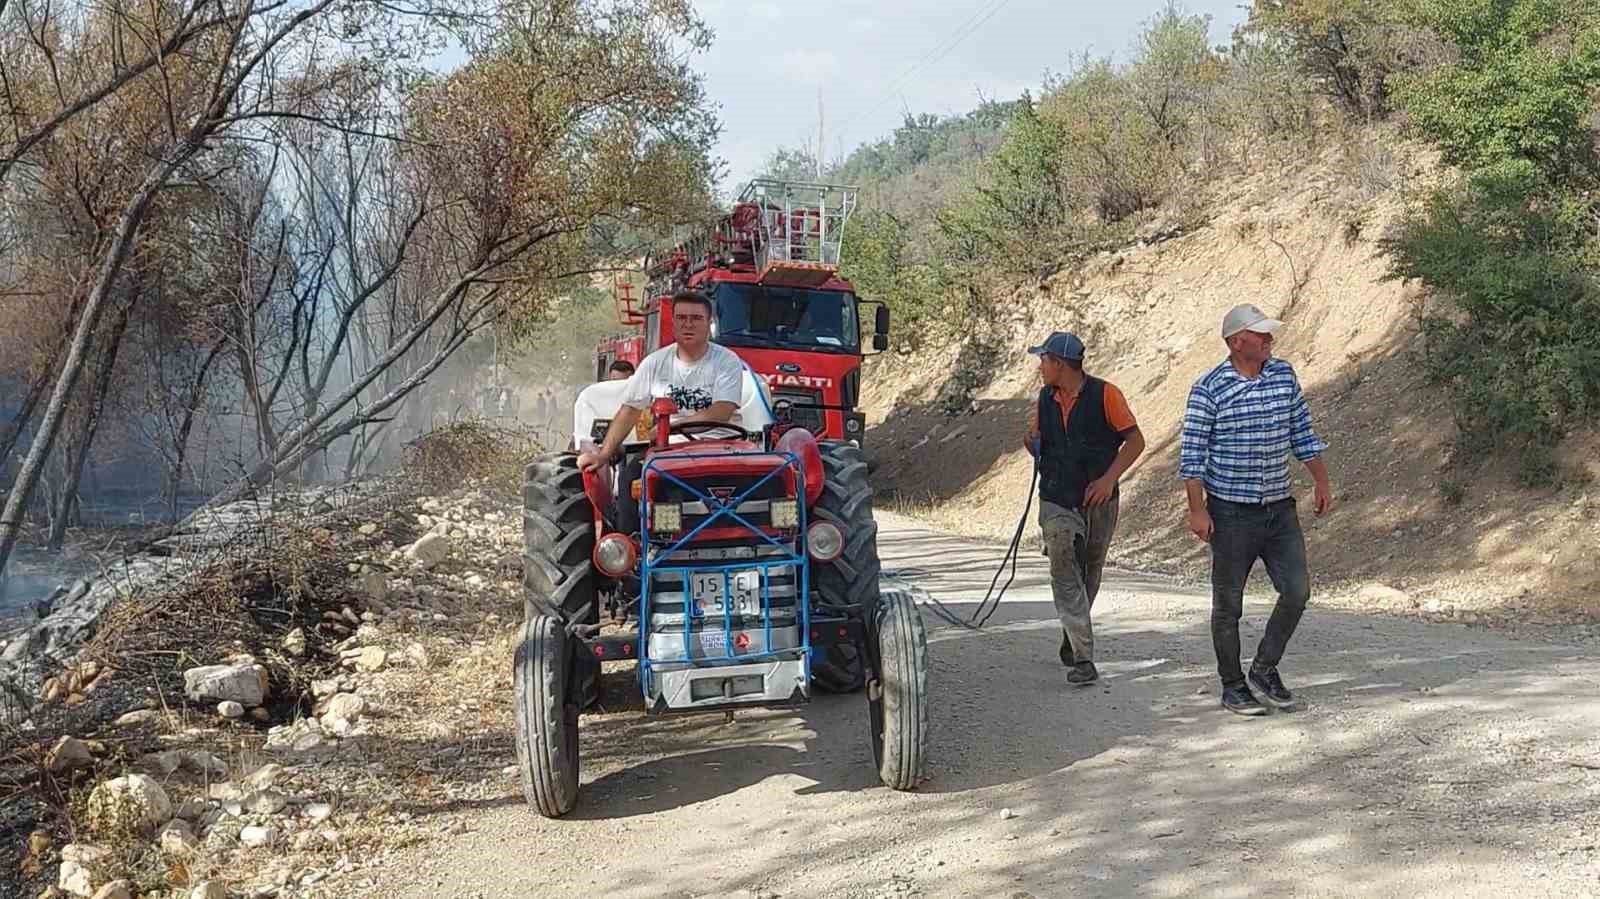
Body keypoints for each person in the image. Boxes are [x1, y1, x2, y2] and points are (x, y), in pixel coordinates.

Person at [1179, 303, 1332, 717]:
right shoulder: (1209, 388)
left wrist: (1321, 480)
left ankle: (1264, 668)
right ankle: (1232, 685)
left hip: (1278, 507)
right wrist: (1198, 511)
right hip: (1230, 513)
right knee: (1229, 604)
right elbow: (1192, 457)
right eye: (1260, 333)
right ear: (1235, 341)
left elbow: (1301, 430)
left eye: (1269, 333)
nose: (1269, 339)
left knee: (1297, 591)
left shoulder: (1283, 374)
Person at [1023, 332, 1145, 686]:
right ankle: (1083, 658)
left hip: (1099, 499)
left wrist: (1108, 480)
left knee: (1089, 572)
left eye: (1043, 360)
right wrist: (1032, 444)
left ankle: (1072, 634)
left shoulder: (1107, 394)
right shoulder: (1045, 399)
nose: (1040, 366)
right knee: (1062, 560)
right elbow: (1037, 443)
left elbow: (1135, 441)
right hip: (1056, 498)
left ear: (1059, 364)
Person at [577, 291, 744, 472]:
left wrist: (670, 427)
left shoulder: (726, 360)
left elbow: (722, 411)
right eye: (681, 317)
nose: (688, 324)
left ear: (710, 323)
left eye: (696, 318)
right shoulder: (654, 363)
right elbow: (630, 410)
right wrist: (604, 455)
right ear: (673, 322)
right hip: (669, 447)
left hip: (722, 446)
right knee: (631, 476)